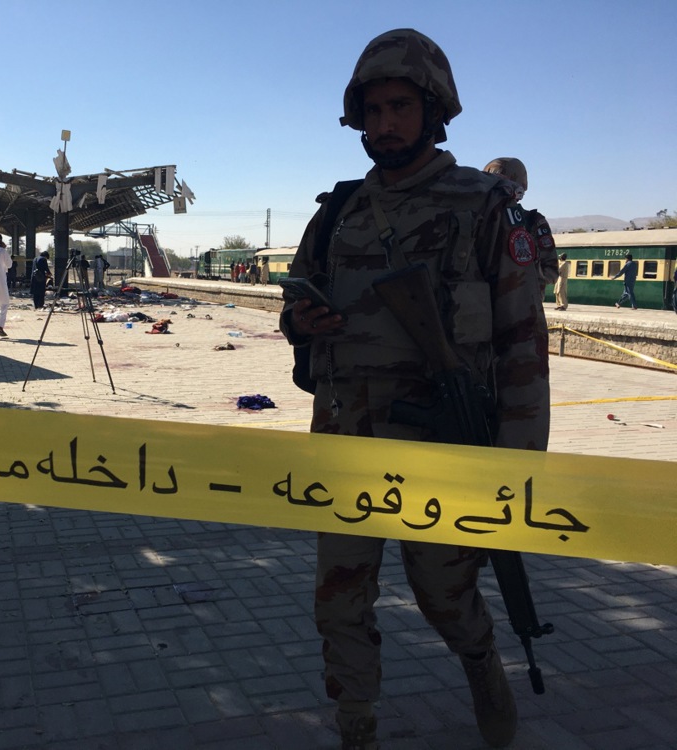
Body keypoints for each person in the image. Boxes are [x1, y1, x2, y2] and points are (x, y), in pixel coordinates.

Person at [279, 29, 549, 750]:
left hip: (443, 445)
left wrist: (517, 470)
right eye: (370, 112)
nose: (382, 125)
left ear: (433, 110)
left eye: (398, 106)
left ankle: (481, 665)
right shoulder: (337, 212)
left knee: (446, 597)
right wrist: (301, 319)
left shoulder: (486, 205)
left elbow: (524, 343)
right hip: (344, 440)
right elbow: (295, 314)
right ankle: (356, 723)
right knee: (338, 600)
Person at [483, 157, 558, 294]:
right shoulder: (476, 219)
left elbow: (551, 272)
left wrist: (522, 276)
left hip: (521, 305)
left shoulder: (532, 222)